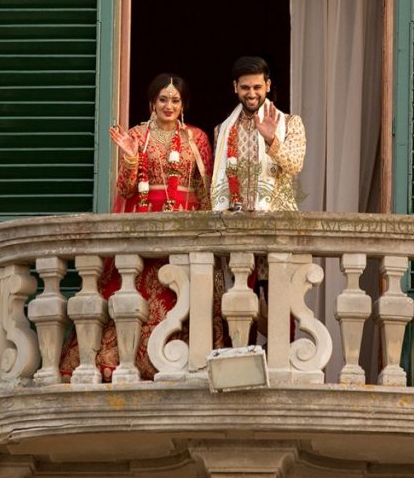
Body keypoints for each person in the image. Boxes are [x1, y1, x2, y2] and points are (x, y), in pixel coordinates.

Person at [60, 73, 222, 382]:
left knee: (184, 294)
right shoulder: (137, 134)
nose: (168, 105)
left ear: (183, 104)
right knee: (135, 293)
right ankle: (123, 360)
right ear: (152, 102)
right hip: (144, 219)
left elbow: (205, 192)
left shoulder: (197, 137)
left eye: (175, 100)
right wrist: (132, 157)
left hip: (184, 226)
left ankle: (182, 359)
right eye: (163, 99)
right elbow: (126, 188)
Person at [210, 56, 306, 212]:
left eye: (257, 87)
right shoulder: (222, 130)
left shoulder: (290, 123)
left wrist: (272, 140)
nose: (252, 93)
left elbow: (295, 165)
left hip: (277, 222)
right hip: (234, 222)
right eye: (245, 87)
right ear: (235, 87)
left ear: (267, 85)